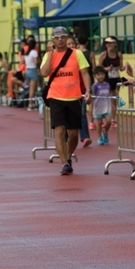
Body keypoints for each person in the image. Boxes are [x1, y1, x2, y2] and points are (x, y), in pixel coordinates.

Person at [40, 27, 92, 175]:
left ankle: (68, 156)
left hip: (74, 97)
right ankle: (64, 164)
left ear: (67, 37)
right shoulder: (48, 55)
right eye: (57, 37)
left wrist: (88, 90)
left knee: (74, 133)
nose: (60, 40)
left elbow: (85, 73)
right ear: (53, 40)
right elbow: (44, 73)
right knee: (59, 130)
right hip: (55, 96)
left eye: (63, 37)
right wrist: (50, 53)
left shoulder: (77, 54)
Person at [67, 37, 92, 147]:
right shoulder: (61, 58)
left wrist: (88, 90)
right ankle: (67, 138)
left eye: (73, 43)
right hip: (66, 93)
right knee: (67, 116)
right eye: (69, 44)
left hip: (80, 91)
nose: (71, 45)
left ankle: (85, 137)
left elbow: (86, 73)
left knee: (82, 114)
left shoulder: (79, 56)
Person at [99, 36, 126, 127]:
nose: (109, 45)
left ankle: (113, 119)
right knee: (106, 99)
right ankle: (103, 119)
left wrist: (126, 67)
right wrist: (106, 69)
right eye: (107, 43)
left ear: (115, 44)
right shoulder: (103, 54)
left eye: (111, 43)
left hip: (116, 79)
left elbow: (121, 68)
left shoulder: (119, 54)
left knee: (114, 99)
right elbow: (99, 68)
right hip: (106, 79)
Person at [91, 66, 112, 145]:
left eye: (102, 74)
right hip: (98, 108)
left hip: (107, 107)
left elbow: (109, 94)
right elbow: (92, 95)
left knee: (109, 121)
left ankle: (105, 131)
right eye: (98, 75)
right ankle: (99, 137)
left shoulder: (107, 84)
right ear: (95, 76)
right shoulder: (95, 86)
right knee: (99, 124)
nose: (101, 76)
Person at [23, 39, 40, 110]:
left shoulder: (26, 52)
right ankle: (30, 104)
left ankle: (31, 103)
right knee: (32, 89)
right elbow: (36, 62)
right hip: (33, 70)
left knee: (30, 88)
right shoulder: (34, 52)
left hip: (27, 70)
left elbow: (23, 62)